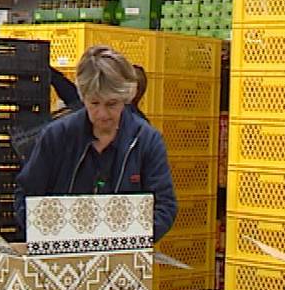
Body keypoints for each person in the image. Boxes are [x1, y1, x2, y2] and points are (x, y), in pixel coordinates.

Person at [15, 47, 176, 238]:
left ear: (126, 99)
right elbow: (26, 195)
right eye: (94, 103)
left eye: (111, 104)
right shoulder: (56, 137)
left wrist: (133, 241)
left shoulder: (146, 140)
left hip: (123, 257)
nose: (102, 114)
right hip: (60, 256)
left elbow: (164, 205)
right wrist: (48, 236)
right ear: (83, 97)